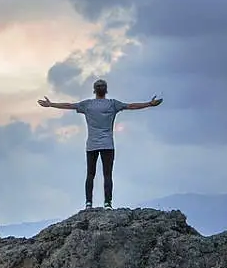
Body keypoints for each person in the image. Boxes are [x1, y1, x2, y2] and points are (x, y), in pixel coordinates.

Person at [38, 79, 163, 210]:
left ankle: (88, 204)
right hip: (108, 145)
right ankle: (108, 203)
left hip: (91, 145)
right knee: (107, 175)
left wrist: (51, 104)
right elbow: (131, 106)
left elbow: (69, 105)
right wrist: (149, 104)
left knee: (90, 174)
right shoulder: (113, 104)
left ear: (94, 90)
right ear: (106, 90)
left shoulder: (87, 105)